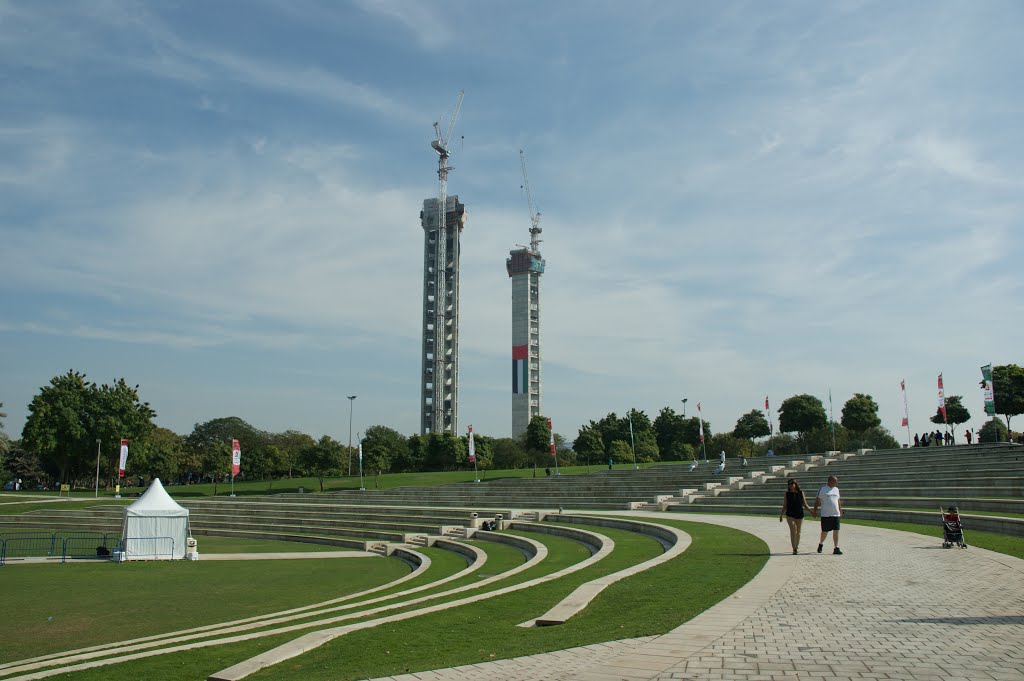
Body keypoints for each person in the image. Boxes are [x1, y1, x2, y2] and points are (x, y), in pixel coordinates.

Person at [779, 478, 815, 554]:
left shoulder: (801, 493)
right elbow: (785, 505)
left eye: (792, 484)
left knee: (798, 532)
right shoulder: (787, 494)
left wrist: (811, 512)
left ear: (795, 484)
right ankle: (794, 548)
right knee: (793, 531)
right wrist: (781, 514)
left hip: (800, 515)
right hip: (790, 514)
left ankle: (797, 546)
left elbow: (805, 505)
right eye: (789, 484)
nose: (791, 486)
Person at [813, 475, 842, 555]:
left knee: (836, 531)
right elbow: (817, 500)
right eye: (835, 481)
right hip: (826, 515)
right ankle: (821, 543)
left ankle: (836, 547)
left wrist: (840, 510)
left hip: (835, 514)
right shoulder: (823, 489)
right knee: (824, 532)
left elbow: (838, 501)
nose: (836, 483)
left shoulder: (836, 489)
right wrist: (815, 511)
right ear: (830, 481)